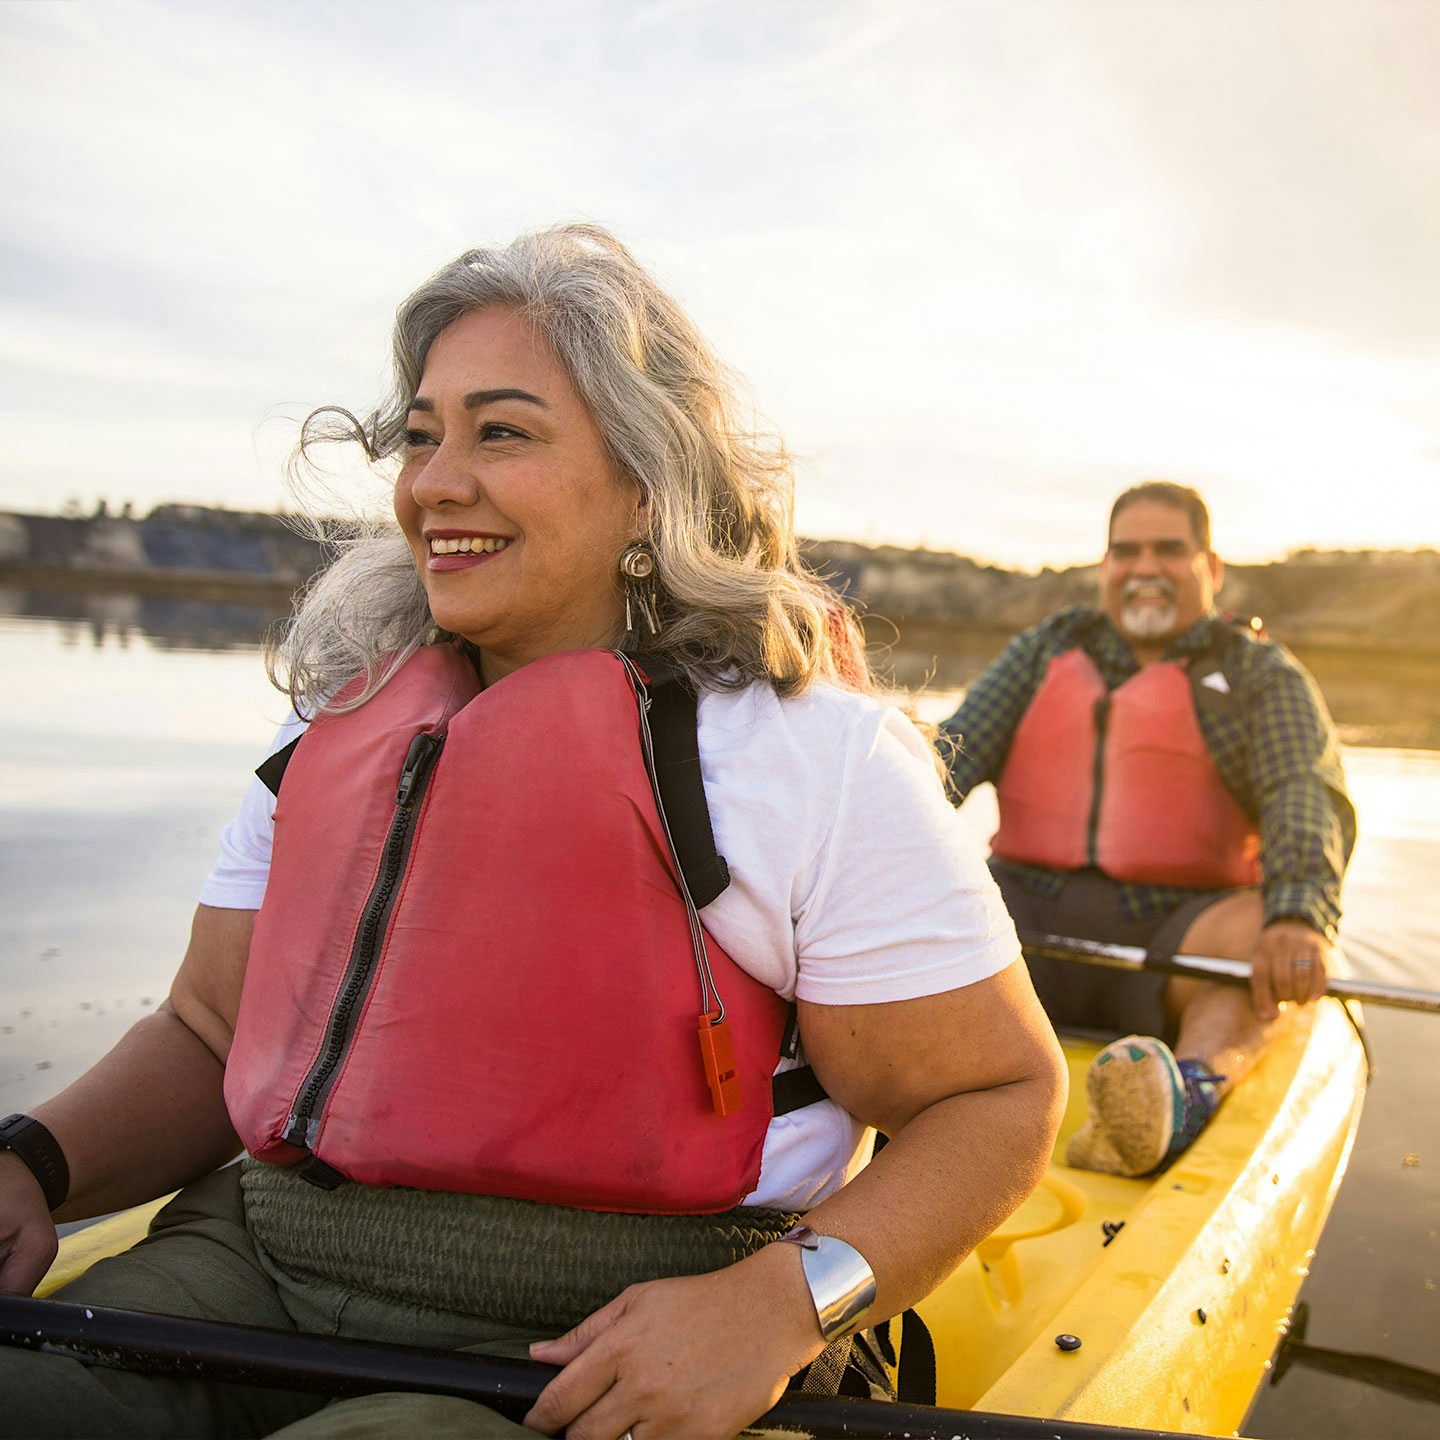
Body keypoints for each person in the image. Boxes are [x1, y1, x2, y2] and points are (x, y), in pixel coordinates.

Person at [0, 224, 1066, 1440]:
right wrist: (34, 1163)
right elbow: (209, 1029)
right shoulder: (331, 733)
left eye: (501, 431)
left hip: (611, 1326)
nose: (433, 483)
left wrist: (781, 1303)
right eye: (420, 436)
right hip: (263, 1266)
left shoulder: (811, 761)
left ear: (647, 479)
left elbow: (997, 1096)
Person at [942, 481, 1355, 1179]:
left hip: (1177, 936)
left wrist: (1299, 913)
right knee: (915, 894)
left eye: (1170, 550)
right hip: (1022, 925)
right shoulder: (1046, 650)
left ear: (1211, 569)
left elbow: (1301, 791)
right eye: (1125, 552)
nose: (1144, 568)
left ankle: (1185, 1090)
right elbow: (946, 758)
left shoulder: (1258, 673)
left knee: (1261, 930)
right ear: (1105, 567)